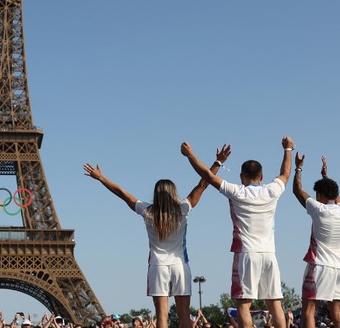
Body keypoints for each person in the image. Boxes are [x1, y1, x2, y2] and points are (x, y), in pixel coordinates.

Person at [83, 145, 223, 328]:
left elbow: (122, 193)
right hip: (180, 265)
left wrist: (101, 178)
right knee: (184, 317)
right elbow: (204, 184)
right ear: (174, 193)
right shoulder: (183, 209)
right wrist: (218, 162)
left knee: (161, 317)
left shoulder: (147, 211)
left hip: (157, 267)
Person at [180, 137, 293, 328]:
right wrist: (288, 149)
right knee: (275, 304)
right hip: (269, 254)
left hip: (246, 254)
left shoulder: (237, 192)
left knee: (243, 304)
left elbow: (207, 176)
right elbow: (285, 173)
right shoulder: (272, 191)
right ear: (262, 176)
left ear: (241, 176)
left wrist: (190, 155)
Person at [292, 153, 340, 328]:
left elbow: (297, 190)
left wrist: (298, 168)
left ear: (320, 194)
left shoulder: (319, 209)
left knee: (309, 309)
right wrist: (325, 177)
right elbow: (336, 196)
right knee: (338, 315)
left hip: (320, 264)